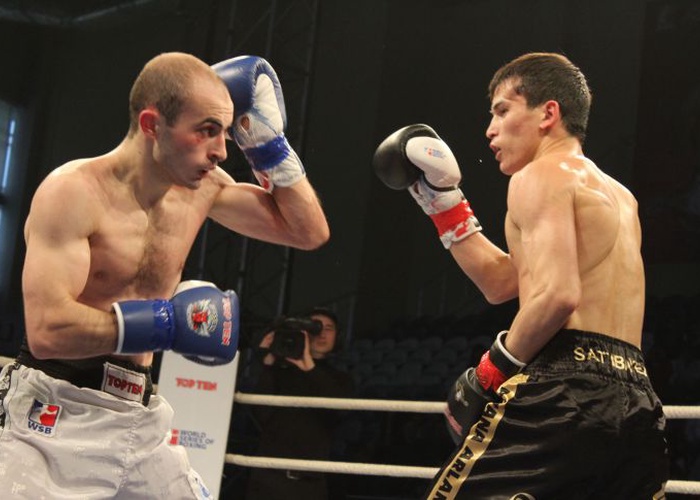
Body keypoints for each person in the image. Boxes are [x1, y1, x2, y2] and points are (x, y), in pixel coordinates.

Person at [0, 52, 329, 498]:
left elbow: (308, 232)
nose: (221, 150)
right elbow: (46, 331)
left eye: (226, 132)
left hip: (140, 417)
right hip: (53, 412)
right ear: (152, 124)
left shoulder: (203, 188)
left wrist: (269, 146)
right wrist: (167, 326)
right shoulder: (73, 192)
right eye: (207, 130)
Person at [373, 52, 669, 498]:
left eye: (502, 111)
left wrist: (491, 370)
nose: (489, 130)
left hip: (564, 391)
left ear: (548, 113)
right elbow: (504, 282)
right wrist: (442, 203)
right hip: (637, 399)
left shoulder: (539, 175)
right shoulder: (621, 197)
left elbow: (556, 295)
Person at [245, 307, 355, 500]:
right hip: (268, 478)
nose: (321, 333)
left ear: (337, 336)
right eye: (315, 327)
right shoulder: (279, 371)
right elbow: (259, 411)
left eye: (328, 328)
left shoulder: (341, 379)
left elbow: (340, 409)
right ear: (303, 334)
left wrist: (309, 367)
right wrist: (267, 361)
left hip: (310, 483)